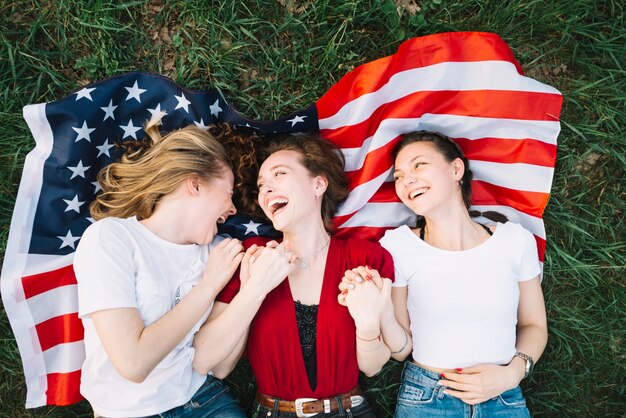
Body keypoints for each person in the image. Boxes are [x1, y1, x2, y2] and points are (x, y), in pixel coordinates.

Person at [73, 120, 292, 418]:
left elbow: (221, 367)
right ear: (195, 183)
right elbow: (133, 364)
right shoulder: (112, 238)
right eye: (228, 193)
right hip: (126, 412)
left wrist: (250, 289)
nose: (231, 210)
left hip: (204, 401)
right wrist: (207, 287)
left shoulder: (220, 251)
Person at [341, 131, 548, 417]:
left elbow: (534, 325)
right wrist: (378, 307)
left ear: (456, 169)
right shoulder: (398, 246)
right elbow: (402, 349)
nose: (406, 180)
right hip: (429, 398)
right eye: (398, 176)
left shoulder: (515, 241)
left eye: (419, 165)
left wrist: (512, 373)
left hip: (504, 397)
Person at [211, 133, 395, 417]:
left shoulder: (367, 258)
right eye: (261, 186)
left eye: (279, 174)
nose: (266, 190)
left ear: (318, 184)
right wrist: (253, 288)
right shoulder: (250, 257)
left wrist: (368, 324)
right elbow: (220, 367)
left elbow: (372, 367)